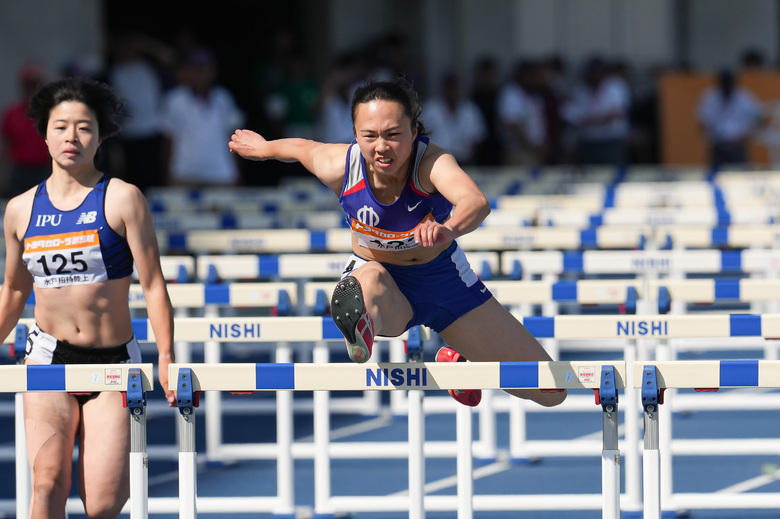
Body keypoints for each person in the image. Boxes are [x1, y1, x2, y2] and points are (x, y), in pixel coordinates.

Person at [229, 77, 565, 408]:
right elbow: (301, 149)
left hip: (444, 282)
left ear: (413, 131)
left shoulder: (432, 163)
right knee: (369, 281)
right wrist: (264, 149)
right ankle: (360, 322)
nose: (381, 146)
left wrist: (448, 229)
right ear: (355, 135)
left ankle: (459, 360)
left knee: (550, 391)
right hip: (384, 286)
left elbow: (475, 202)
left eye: (393, 135)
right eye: (369, 136)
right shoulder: (340, 165)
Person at [0, 77, 175, 518]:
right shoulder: (20, 209)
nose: (71, 137)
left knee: (101, 503)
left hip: (114, 363)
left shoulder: (123, 199)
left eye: (84, 127)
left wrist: (167, 356)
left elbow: (153, 283)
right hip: (47, 358)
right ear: (44, 134)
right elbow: (15, 289)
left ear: (100, 135)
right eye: (60, 127)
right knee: (47, 484)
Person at [160, 46, 244, 187]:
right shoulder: (174, 100)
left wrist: (238, 174)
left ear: (213, 72)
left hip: (221, 175)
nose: (201, 74)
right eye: (196, 69)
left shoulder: (224, 98)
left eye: (205, 69)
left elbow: (235, 139)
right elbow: (168, 140)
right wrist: (166, 175)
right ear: (187, 71)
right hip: (184, 174)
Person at [0, 62, 51, 198]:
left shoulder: (50, 114)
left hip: (44, 170)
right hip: (20, 171)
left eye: (36, 85)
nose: (32, 89)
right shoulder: (12, 113)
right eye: (29, 85)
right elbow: (5, 147)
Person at [697, 69, 764, 168]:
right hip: (718, 146)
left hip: (738, 146)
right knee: (712, 177)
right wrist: (711, 137)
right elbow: (702, 121)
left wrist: (746, 135)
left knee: (742, 177)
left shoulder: (744, 97)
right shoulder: (710, 97)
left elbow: (759, 118)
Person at [423, 70, 487, 166]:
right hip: (437, 161)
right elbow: (421, 136)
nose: (452, 91)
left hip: (464, 161)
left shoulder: (470, 109)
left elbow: (479, 137)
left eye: (454, 87)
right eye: (449, 88)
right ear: (443, 89)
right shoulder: (431, 109)